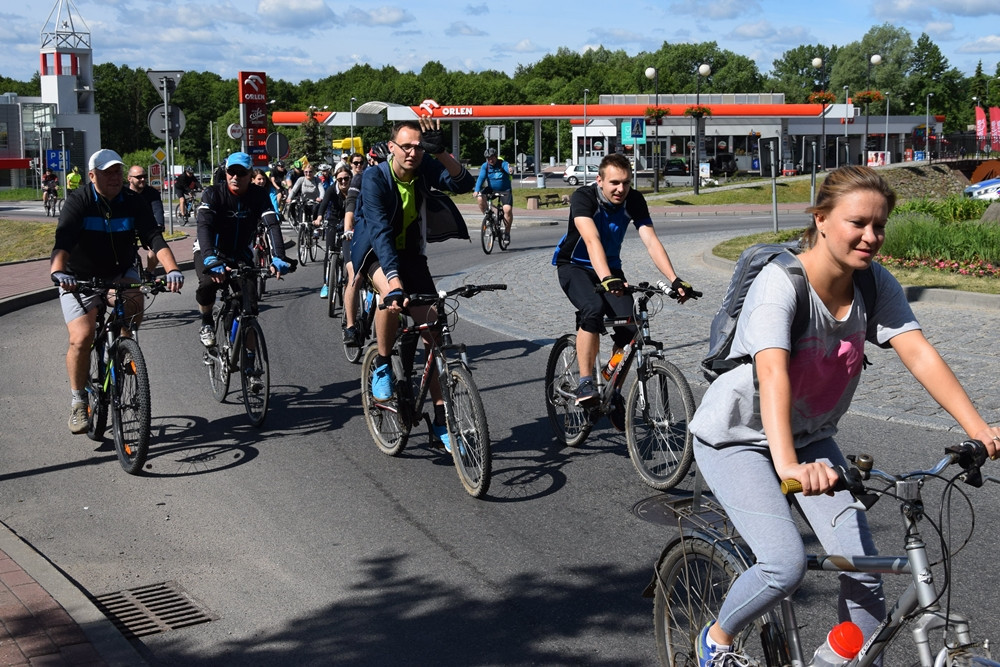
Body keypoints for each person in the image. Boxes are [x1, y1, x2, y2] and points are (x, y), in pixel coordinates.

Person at [687, 165, 1000, 667]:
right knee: (784, 565)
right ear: (822, 219)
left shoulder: (873, 284)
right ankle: (717, 639)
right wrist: (787, 466)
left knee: (866, 570)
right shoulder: (781, 283)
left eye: (879, 225)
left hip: (810, 437)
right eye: (858, 223)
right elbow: (773, 374)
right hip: (739, 437)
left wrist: (978, 429)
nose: (871, 237)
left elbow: (918, 353)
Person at [351, 118, 474, 451]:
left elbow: (463, 183)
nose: (412, 152)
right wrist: (393, 281)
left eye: (418, 146)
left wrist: (443, 151)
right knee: (390, 299)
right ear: (391, 147)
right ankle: (380, 363)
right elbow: (379, 231)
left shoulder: (423, 166)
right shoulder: (374, 178)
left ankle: (440, 420)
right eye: (406, 146)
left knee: (433, 331)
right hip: (376, 250)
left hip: (411, 254)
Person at [50, 149, 184, 434]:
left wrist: (171, 269)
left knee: (135, 300)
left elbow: (153, 237)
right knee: (81, 338)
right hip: (79, 277)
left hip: (120, 272)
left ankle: (124, 347)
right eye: (107, 172)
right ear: (92, 175)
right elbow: (63, 240)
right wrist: (57, 271)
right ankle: (78, 400)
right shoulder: (80, 201)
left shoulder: (132, 201)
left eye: (117, 172)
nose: (114, 177)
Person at [551, 152, 695, 413]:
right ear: (600, 181)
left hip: (611, 270)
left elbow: (651, 241)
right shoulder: (584, 197)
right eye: (614, 183)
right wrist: (607, 278)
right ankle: (585, 382)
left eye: (626, 183)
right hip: (575, 266)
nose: (621, 189)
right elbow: (592, 239)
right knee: (592, 310)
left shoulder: (634, 200)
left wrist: (674, 279)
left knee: (632, 329)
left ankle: (611, 385)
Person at [193, 152, 295, 347]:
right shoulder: (214, 193)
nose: (235, 177)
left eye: (241, 173)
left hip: (240, 253)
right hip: (211, 251)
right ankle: (206, 320)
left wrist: (278, 257)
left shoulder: (258, 195)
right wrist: (209, 258)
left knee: (249, 308)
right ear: (226, 172)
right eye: (231, 172)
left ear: (250, 175)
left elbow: (271, 225)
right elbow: (204, 226)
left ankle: (250, 367)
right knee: (207, 284)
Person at [340, 142, 387, 340]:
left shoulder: (390, 178)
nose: (381, 165)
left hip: (380, 236)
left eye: (384, 161)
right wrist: (347, 230)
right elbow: (350, 207)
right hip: (357, 233)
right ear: (370, 161)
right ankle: (350, 326)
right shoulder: (360, 179)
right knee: (356, 276)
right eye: (377, 161)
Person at [314, 163, 352, 298]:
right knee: (330, 252)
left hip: (350, 223)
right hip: (334, 220)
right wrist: (319, 218)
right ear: (336, 179)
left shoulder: (355, 190)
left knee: (352, 252)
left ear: (350, 178)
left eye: (346, 178)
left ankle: (352, 281)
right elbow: (323, 204)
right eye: (340, 179)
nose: (343, 181)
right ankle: (326, 283)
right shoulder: (331, 189)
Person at [127, 165, 167, 276]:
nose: (143, 179)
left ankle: (149, 273)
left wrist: (159, 225)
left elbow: (158, 209)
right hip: (127, 226)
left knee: (157, 248)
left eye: (144, 176)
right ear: (129, 178)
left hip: (146, 226)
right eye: (139, 177)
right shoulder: (123, 192)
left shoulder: (152, 193)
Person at [474, 147, 513, 244]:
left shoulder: (502, 163)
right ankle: (488, 216)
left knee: (507, 210)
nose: (490, 160)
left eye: (492, 158)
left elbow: (508, 168)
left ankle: (507, 233)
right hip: (491, 189)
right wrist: (476, 190)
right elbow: (481, 178)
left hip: (505, 190)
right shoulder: (485, 166)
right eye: (488, 159)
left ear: (496, 157)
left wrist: (510, 170)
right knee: (480, 197)